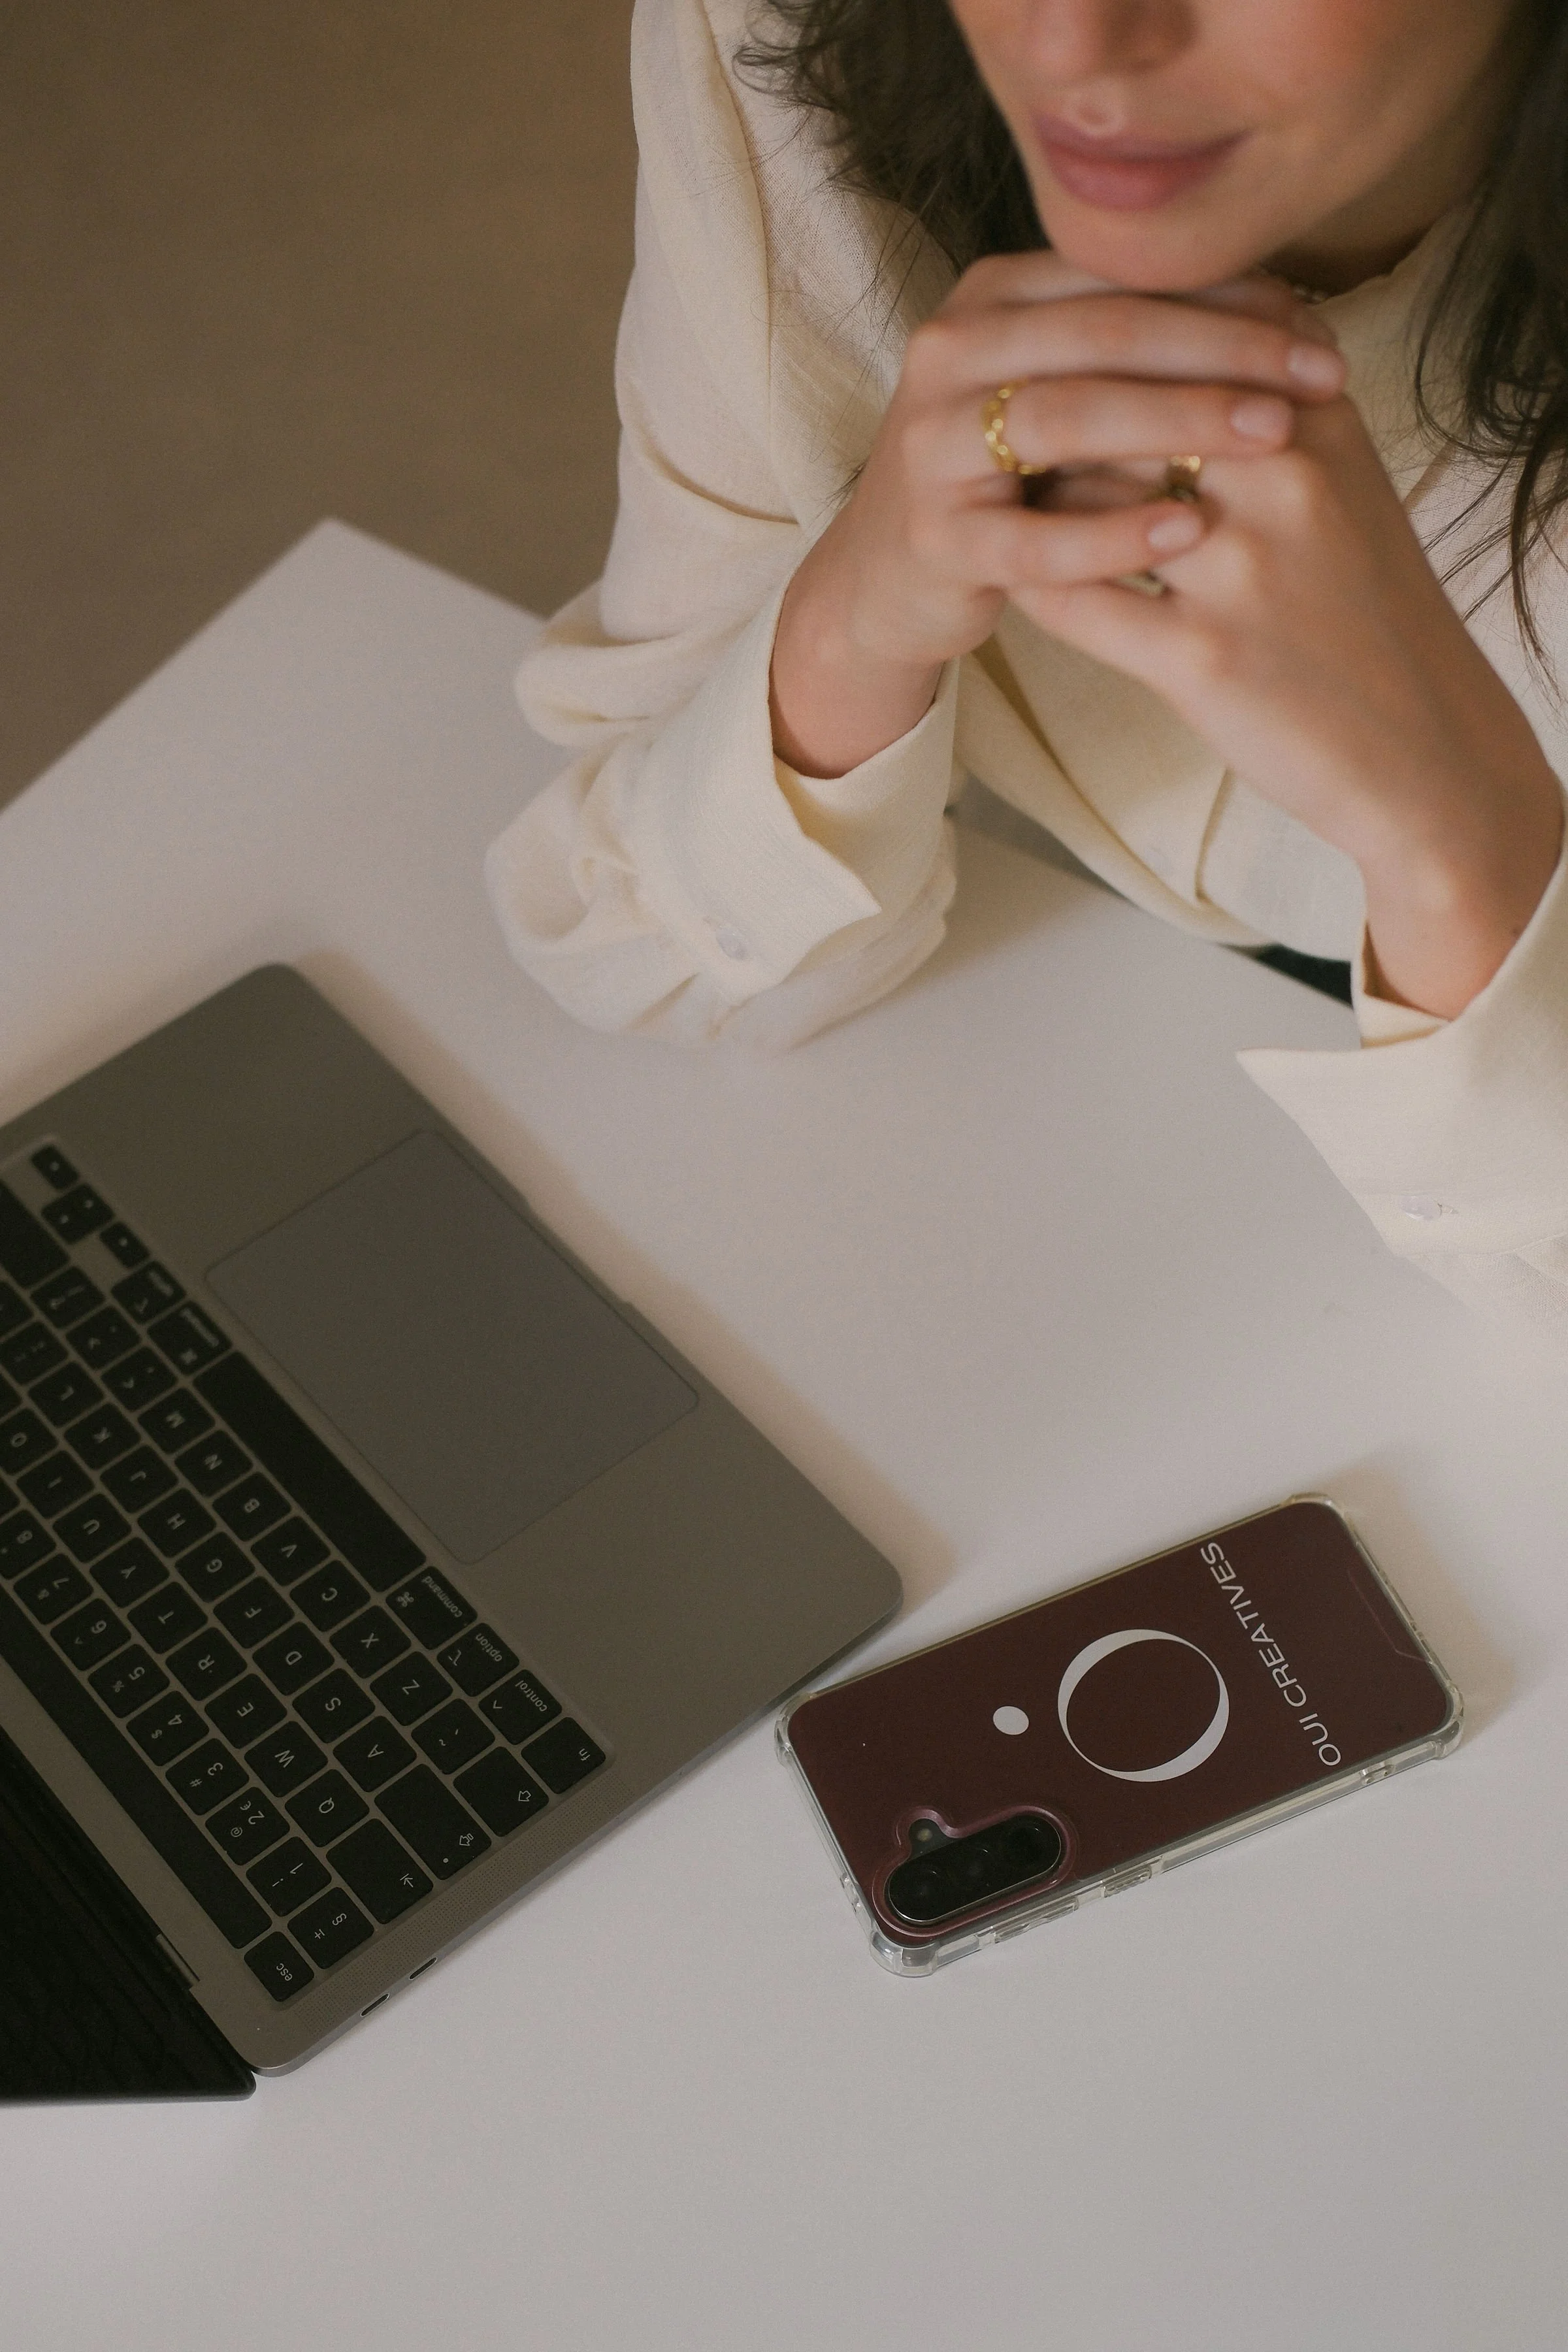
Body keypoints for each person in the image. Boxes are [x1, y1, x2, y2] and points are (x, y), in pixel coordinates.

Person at [486, 0, 1568, 1331]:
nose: (1067, 41)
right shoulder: (788, 44)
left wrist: (1458, 842)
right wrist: (854, 622)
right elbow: (618, 934)